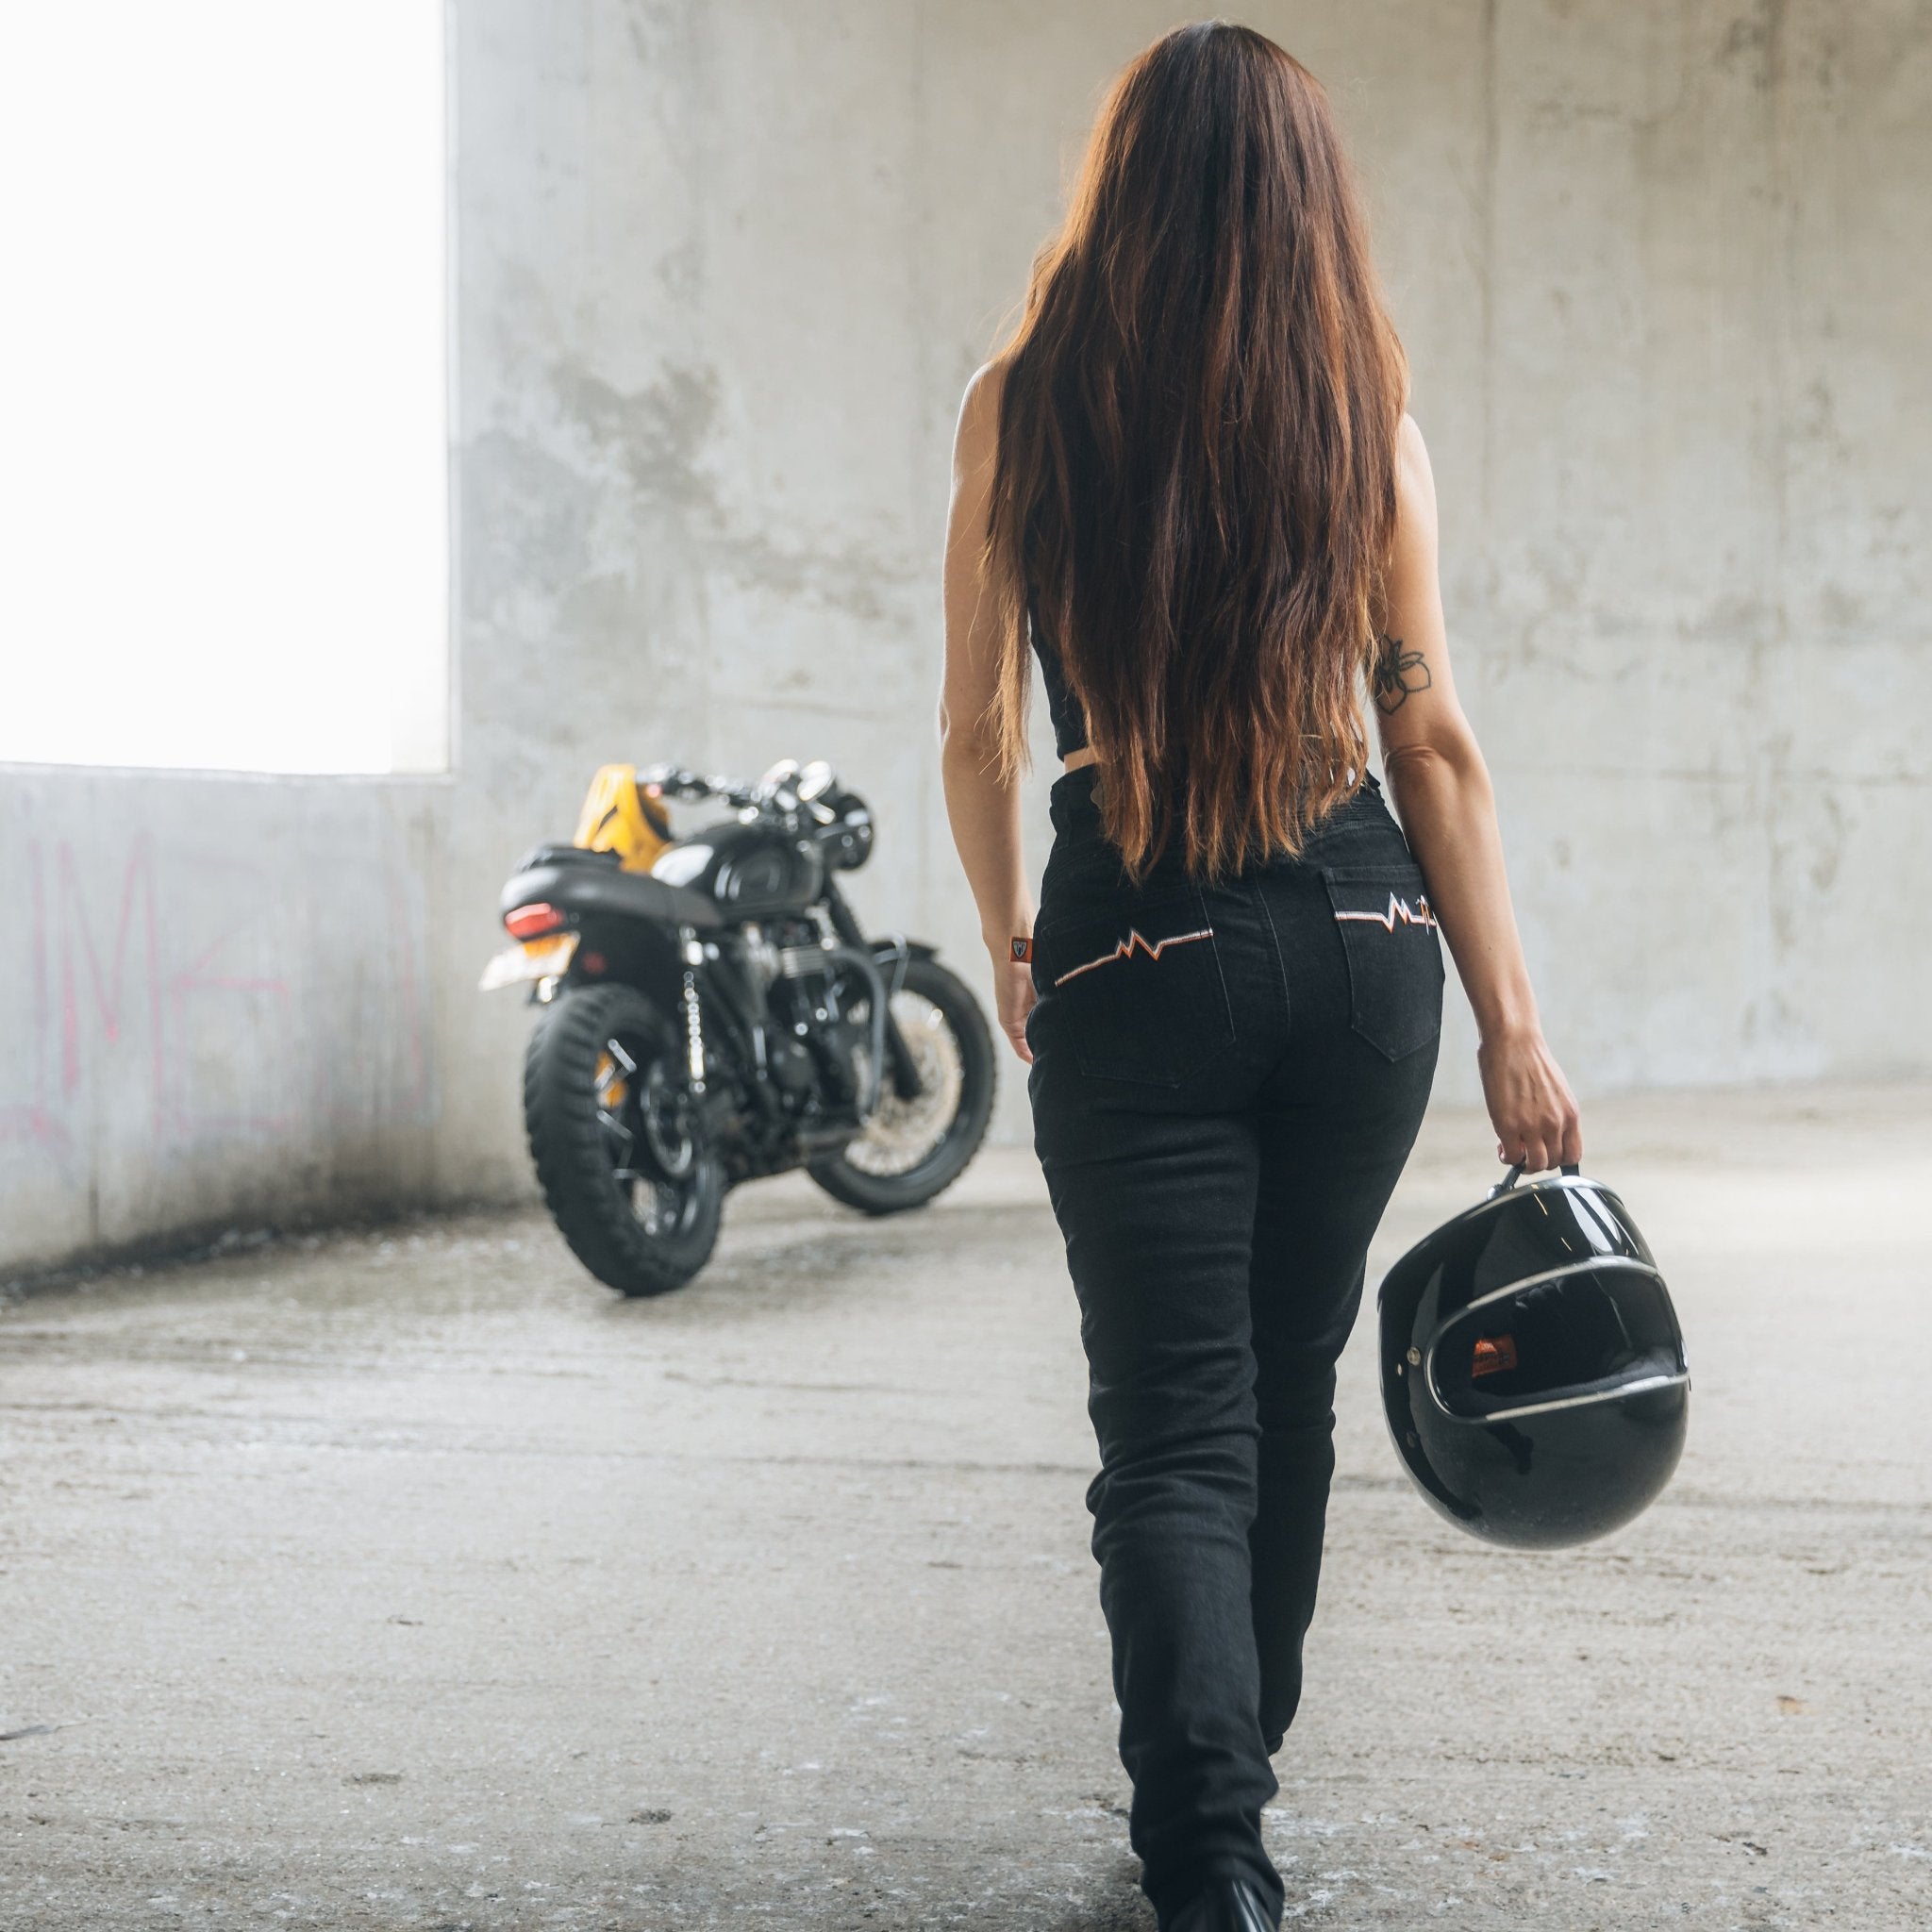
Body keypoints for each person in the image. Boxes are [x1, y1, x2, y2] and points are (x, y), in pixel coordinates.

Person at [938, 22, 1582, 1932]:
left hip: (1140, 944)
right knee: (1278, 1399)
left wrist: (1007, 940)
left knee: (1171, 1428)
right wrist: (1513, 1029)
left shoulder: (1023, 402)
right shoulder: (1363, 413)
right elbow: (1430, 739)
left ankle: (1206, 1848)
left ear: (1119, 181)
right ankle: (1234, 1776)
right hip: (1370, 958)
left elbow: (977, 730)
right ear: (1312, 200)